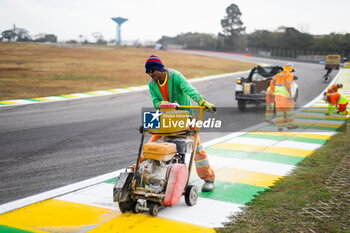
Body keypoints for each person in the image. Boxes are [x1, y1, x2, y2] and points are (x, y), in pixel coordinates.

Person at [145, 55, 216, 192]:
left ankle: (208, 178)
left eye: (152, 71)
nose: (150, 74)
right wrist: (162, 104)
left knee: (197, 148)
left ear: (159, 69)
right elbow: (155, 102)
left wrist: (203, 102)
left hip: (186, 118)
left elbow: (190, 91)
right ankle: (142, 173)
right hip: (167, 119)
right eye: (148, 72)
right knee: (151, 145)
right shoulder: (152, 84)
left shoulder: (175, 77)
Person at [269, 63, 298, 131]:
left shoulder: (278, 74)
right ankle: (290, 125)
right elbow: (288, 85)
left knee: (279, 112)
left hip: (277, 97)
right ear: (291, 69)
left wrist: (272, 92)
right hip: (285, 96)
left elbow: (271, 82)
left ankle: (280, 127)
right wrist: (290, 96)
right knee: (289, 111)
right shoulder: (289, 75)